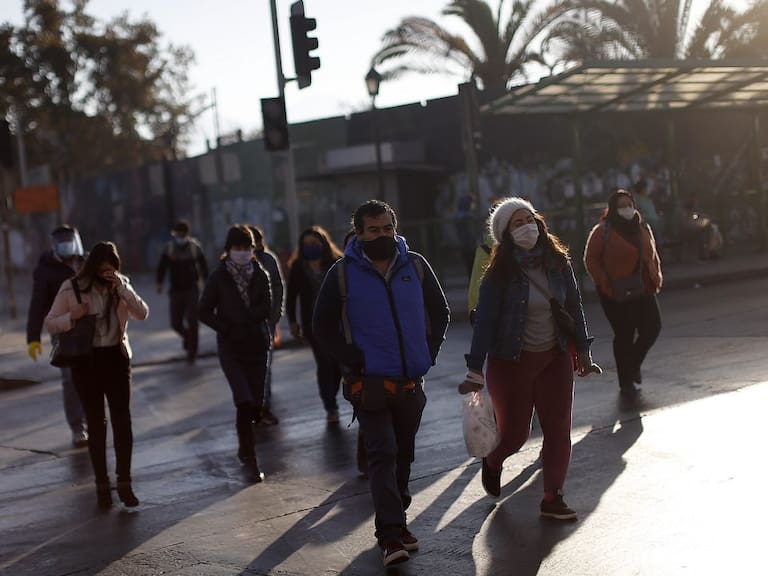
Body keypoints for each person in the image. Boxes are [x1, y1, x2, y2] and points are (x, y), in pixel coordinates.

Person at [313, 200, 450, 567]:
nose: (382, 236)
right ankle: (390, 535)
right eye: (373, 231)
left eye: (387, 229)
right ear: (357, 234)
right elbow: (321, 327)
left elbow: (441, 312)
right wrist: (351, 358)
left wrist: (428, 353)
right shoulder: (341, 274)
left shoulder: (416, 266)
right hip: (368, 384)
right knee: (382, 452)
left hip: (410, 381)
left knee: (403, 454)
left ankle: (398, 517)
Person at [462, 197, 601, 520]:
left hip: (555, 359)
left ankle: (553, 497)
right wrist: (474, 369)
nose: (527, 227)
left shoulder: (558, 263)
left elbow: (574, 308)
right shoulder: (498, 275)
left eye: (530, 220)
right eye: (517, 223)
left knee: (558, 430)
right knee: (515, 434)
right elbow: (484, 323)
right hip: (511, 363)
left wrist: (582, 350)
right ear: (506, 234)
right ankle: (494, 461)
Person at [45, 241, 149, 509]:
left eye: (111, 270)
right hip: (86, 361)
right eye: (102, 270)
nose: (107, 275)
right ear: (92, 269)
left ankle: (124, 483)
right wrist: (72, 316)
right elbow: (51, 322)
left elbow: (143, 313)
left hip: (116, 357)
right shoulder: (73, 287)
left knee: (122, 422)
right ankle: (102, 486)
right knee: (96, 423)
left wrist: (122, 289)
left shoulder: (120, 284)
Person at [199, 225, 272, 483]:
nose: (242, 253)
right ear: (228, 250)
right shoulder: (219, 277)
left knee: (256, 405)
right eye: (237, 248)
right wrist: (227, 326)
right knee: (243, 401)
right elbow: (203, 310)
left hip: (257, 345)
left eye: (246, 248)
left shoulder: (260, 274)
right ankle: (250, 456)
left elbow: (267, 305)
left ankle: (245, 445)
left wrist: (249, 318)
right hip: (231, 348)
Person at [584, 189, 663, 396]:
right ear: (612, 209)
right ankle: (625, 380)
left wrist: (656, 275)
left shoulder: (642, 226)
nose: (627, 209)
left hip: (644, 288)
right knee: (624, 334)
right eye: (622, 206)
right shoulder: (603, 231)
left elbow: (652, 255)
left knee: (652, 327)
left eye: (629, 204)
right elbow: (590, 259)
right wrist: (604, 282)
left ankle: (632, 364)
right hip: (614, 293)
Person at [27, 225, 89, 447]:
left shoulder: (85, 262)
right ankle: (77, 427)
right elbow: (37, 305)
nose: (65, 245)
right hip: (62, 332)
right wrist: (32, 337)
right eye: (60, 241)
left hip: (89, 329)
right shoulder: (45, 270)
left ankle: (93, 419)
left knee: (92, 376)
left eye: (68, 240)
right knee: (70, 379)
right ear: (54, 245)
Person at [286, 226, 344, 423]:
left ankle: (332, 394)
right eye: (307, 244)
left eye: (315, 243)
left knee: (337, 364)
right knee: (324, 362)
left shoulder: (336, 263)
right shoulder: (297, 267)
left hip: (337, 321)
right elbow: (292, 296)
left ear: (324, 243)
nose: (311, 247)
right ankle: (330, 405)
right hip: (313, 324)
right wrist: (292, 321)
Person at [156, 219, 208, 363]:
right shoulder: (170, 248)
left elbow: (204, 267)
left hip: (192, 289)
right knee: (175, 323)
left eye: (181, 234)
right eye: (177, 234)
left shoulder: (194, 247)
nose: (179, 236)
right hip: (176, 290)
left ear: (186, 234)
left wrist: (208, 284)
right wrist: (159, 283)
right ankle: (188, 337)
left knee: (193, 321)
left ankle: (192, 352)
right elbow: (162, 266)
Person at [249, 225, 285, 425]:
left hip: (267, 321)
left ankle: (264, 406)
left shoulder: (269, 259)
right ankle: (253, 404)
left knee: (266, 365)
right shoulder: (238, 262)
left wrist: (276, 313)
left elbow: (279, 285)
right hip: (246, 325)